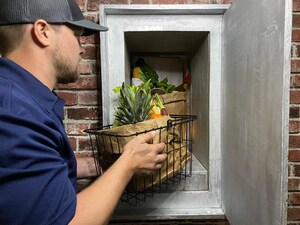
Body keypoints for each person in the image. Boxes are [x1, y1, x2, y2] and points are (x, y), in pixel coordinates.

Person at [0, 0, 167, 224]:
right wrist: (128, 163)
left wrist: (93, 165)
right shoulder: (14, 113)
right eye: (77, 36)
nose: (81, 48)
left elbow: (32, 172)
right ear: (43, 32)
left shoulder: (22, 99)